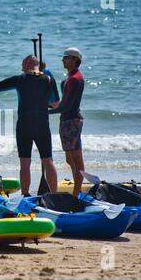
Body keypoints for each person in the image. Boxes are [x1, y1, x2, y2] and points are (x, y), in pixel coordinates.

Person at [0, 55, 59, 196]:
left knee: (25, 162)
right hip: (42, 124)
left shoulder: (19, 79)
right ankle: (55, 195)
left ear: (29, 63)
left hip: (24, 125)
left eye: (23, 64)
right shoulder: (49, 79)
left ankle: (25, 195)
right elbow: (55, 104)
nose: (21, 68)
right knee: (48, 160)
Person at [49, 47, 85, 196]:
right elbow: (63, 103)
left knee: (76, 160)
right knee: (70, 159)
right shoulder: (70, 78)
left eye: (66, 57)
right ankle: (77, 189)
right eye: (63, 57)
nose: (63, 60)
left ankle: (76, 194)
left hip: (71, 121)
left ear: (75, 60)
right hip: (67, 120)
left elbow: (67, 106)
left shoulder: (75, 79)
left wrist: (45, 112)